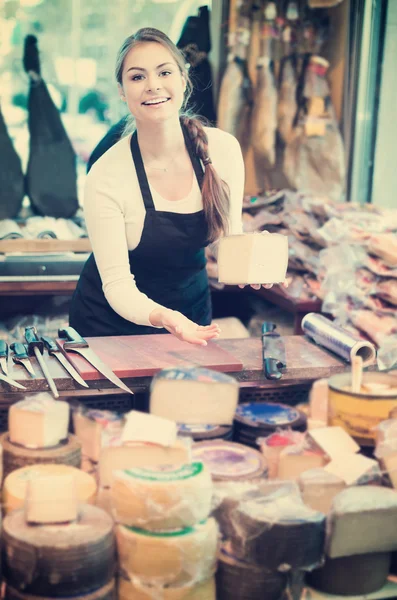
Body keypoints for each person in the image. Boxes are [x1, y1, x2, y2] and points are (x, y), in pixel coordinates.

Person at [69, 27, 273, 347]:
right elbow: (118, 285)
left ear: (182, 79)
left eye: (164, 72)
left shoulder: (223, 151)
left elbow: (227, 239)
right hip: (109, 328)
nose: (153, 85)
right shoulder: (106, 176)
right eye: (137, 77)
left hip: (191, 316)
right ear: (122, 91)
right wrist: (166, 317)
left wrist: (254, 262)